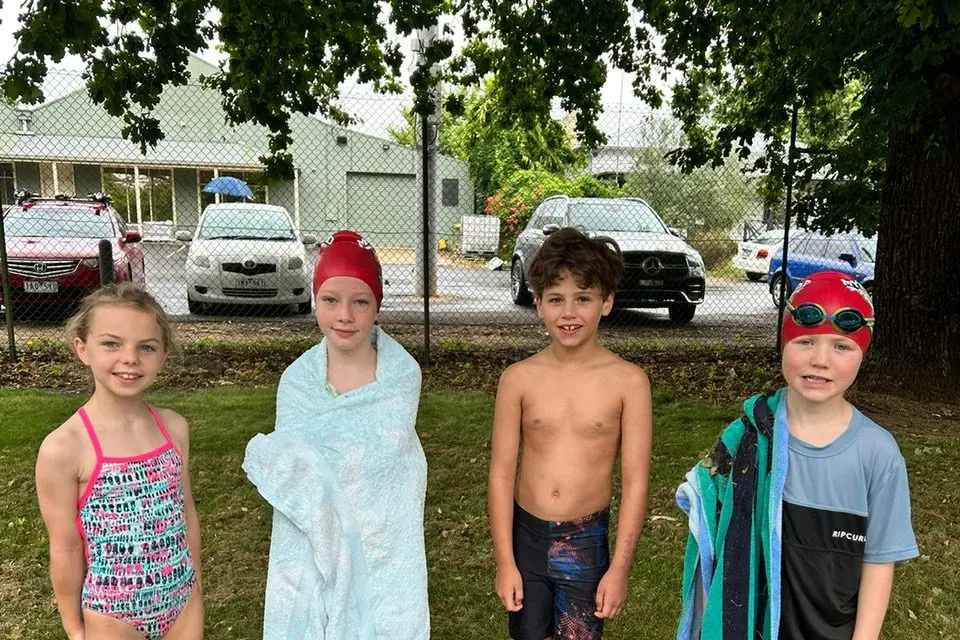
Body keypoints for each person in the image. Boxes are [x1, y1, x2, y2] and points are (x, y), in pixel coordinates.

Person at [675, 270, 919, 640]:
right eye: (805, 341)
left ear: (862, 355)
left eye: (841, 346)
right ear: (784, 342)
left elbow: (879, 561)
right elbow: (711, 521)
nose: (820, 360)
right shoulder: (749, 439)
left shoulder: (878, 454)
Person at [243, 230, 429, 639]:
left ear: (377, 306)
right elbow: (293, 467)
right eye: (330, 300)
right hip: (312, 540)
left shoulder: (401, 376)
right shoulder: (296, 382)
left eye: (360, 301)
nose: (345, 315)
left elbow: (390, 461)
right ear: (315, 302)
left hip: (380, 542)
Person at [488, 227, 654, 640]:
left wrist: (619, 569)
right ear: (539, 304)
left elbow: (635, 482)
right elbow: (501, 473)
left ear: (607, 302)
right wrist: (505, 561)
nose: (569, 312)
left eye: (583, 298)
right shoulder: (518, 379)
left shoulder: (629, 382)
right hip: (526, 537)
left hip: (585, 540)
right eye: (556, 299)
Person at [35, 283, 203, 640]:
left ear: (163, 354)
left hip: (182, 601)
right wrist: (73, 626)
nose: (130, 358)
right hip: (113, 613)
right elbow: (65, 546)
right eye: (112, 343)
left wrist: (196, 585)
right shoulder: (64, 447)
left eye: (147, 347)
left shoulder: (174, 428)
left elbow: (186, 512)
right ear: (82, 349)